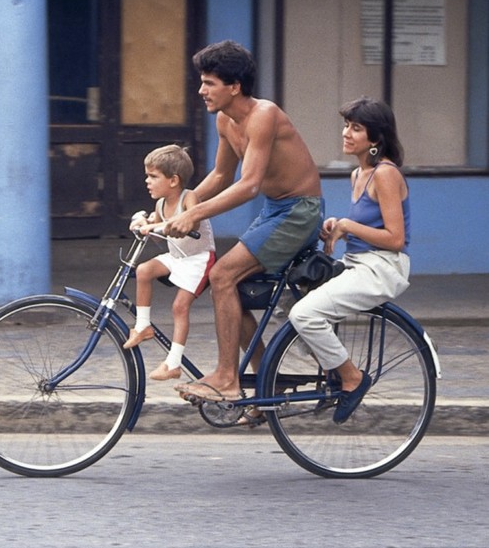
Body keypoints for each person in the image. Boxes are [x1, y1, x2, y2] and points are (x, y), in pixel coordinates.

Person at [164, 40, 322, 402]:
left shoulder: (263, 115)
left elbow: (249, 185)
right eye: (201, 82)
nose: (201, 90)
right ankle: (265, 377)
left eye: (209, 83)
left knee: (221, 275)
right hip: (276, 210)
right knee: (229, 284)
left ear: (234, 86)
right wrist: (173, 208)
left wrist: (193, 214)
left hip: (299, 211)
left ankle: (226, 378)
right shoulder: (225, 119)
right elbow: (221, 175)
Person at [289, 96, 411, 424]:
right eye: (346, 125)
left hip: (383, 267)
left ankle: (351, 378)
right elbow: (365, 225)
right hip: (360, 262)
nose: (346, 133)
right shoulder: (359, 174)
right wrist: (337, 227)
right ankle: (333, 373)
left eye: (356, 128)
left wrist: (348, 225)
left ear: (375, 139)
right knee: (294, 291)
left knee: (305, 314)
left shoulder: (385, 174)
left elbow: (395, 239)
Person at [124, 144, 216, 382]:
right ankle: (143, 326)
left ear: (173, 180)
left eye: (153, 176)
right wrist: (142, 225)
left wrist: (152, 226)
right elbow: (158, 231)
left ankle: (173, 363)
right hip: (177, 257)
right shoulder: (160, 204)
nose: (147, 181)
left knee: (179, 307)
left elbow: (191, 223)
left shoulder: (189, 198)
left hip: (198, 259)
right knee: (143, 270)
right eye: (148, 176)